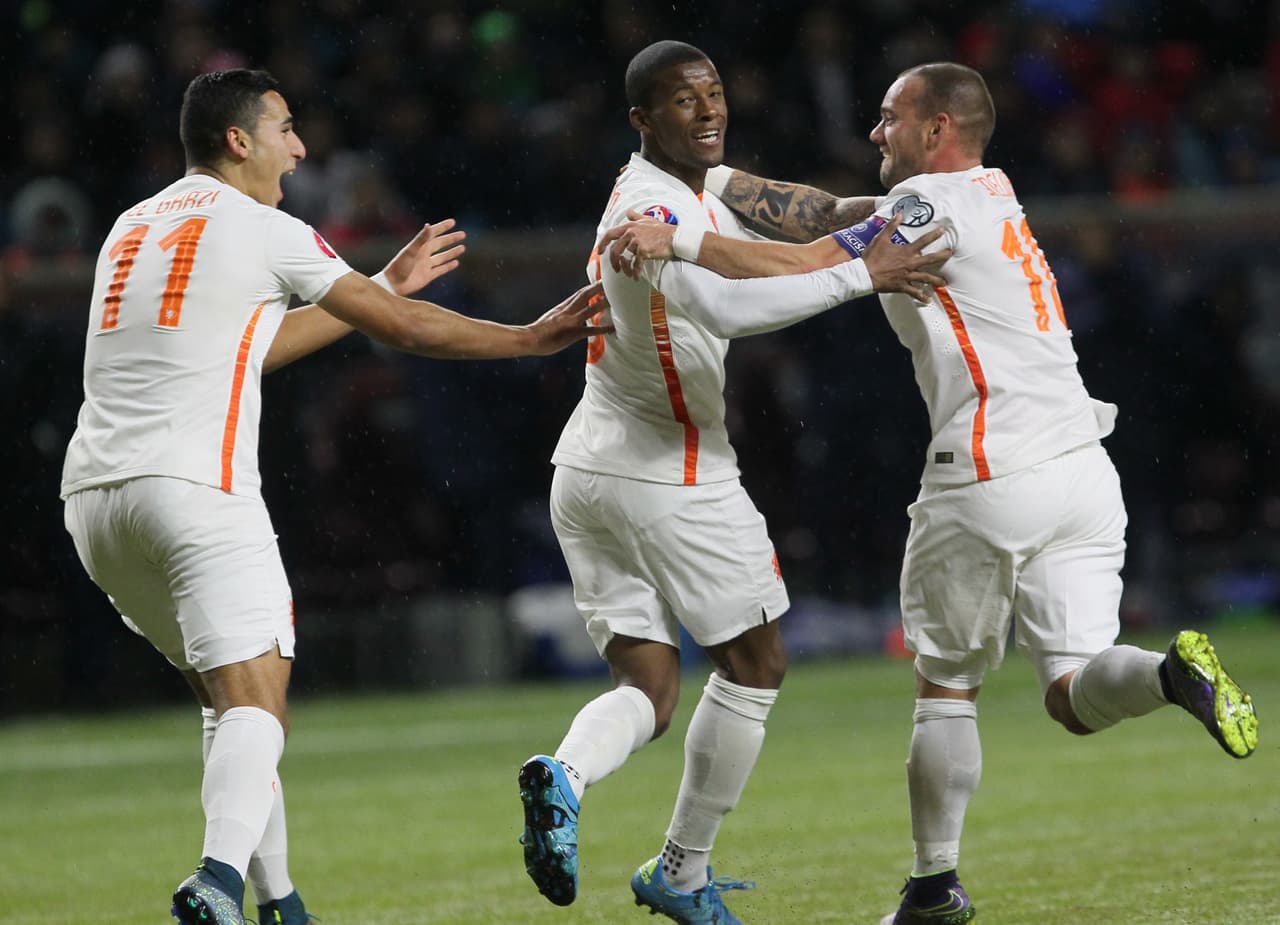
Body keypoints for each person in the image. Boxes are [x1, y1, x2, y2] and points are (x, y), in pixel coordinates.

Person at [598, 61, 1260, 925]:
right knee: (1072, 691)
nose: (876, 131)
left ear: (937, 129)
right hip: (1082, 470)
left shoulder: (923, 207)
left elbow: (806, 259)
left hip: (990, 470)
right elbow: (827, 215)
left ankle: (933, 887)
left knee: (945, 685)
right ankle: (1170, 676)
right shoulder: (991, 191)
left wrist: (679, 240)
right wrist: (711, 181)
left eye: (890, 117)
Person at [59, 68, 609, 925]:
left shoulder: (131, 226)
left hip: (95, 501)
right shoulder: (264, 225)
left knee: (230, 702)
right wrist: (530, 338)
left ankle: (280, 901)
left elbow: (248, 348)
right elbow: (407, 329)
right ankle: (217, 880)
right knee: (257, 700)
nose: (300, 147)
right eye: (284, 128)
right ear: (239, 140)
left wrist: (376, 287)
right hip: (194, 488)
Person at [515, 41, 949, 925]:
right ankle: (681, 871)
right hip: (670, 472)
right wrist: (863, 275)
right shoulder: (648, 211)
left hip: (587, 469)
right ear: (643, 120)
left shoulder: (693, 186)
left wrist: (919, 201)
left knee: (647, 687)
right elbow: (726, 305)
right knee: (755, 664)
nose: (709, 109)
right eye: (685, 100)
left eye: (714, 92)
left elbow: (816, 214)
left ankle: (563, 772)